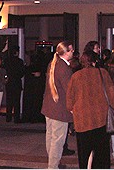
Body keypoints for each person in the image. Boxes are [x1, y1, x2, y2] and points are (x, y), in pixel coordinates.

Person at [66, 51, 114, 169]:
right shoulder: (103, 73)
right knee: (102, 151)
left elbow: (69, 99)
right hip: (101, 118)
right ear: (95, 61)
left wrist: (72, 109)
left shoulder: (76, 76)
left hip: (82, 120)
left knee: (84, 151)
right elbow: (111, 93)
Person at [41, 41, 74, 169]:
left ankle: (53, 163)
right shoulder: (64, 68)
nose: (72, 52)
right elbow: (69, 91)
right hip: (59, 109)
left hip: (49, 107)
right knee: (57, 140)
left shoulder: (53, 64)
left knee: (50, 137)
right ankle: (53, 166)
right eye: (70, 50)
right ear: (65, 53)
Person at [4, 46, 25, 123]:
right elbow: (22, 73)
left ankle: (8, 117)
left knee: (9, 101)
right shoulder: (20, 62)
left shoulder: (7, 61)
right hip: (17, 83)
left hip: (9, 83)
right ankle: (16, 118)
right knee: (17, 101)